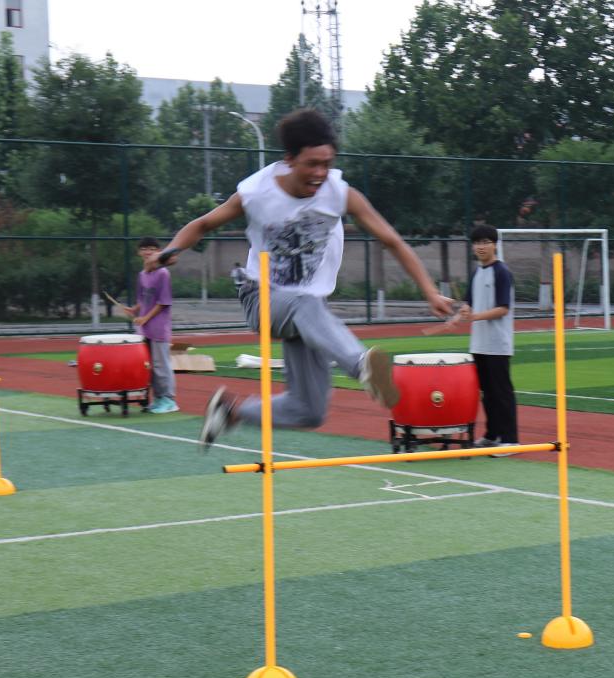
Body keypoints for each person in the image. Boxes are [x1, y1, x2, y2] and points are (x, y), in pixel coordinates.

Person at [150, 109, 455, 448]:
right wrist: (171, 250)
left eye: (327, 163)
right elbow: (203, 224)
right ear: (290, 159)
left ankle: (230, 413)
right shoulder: (257, 193)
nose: (320, 173)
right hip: (262, 298)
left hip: (306, 314)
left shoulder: (340, 194)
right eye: (312, 164)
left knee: (309, 410)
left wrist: (430, 292)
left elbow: (392, 241)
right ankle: (360, 365)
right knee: (305, 304)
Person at [461, 225, 519, 452]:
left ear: (495, 245)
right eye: (477, 243)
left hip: (498, 344)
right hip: (479, 344)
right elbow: (469, 303)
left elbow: (503, 308)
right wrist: (463, 312)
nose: (481, 247)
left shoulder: (501, 272)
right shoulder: (476, 273)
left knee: (502, 393)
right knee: (486, 393)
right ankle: (492, 435)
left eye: (485, 242)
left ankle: (510, 440)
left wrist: (474, 316)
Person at [125, 237, 178, 414]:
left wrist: (145, 318)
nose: (148, 252)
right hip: (145, 329)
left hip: (159, 328)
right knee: (149, 366)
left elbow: (163, 302)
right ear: (139, 252)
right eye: (144, 249)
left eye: (152, 249)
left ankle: (169, 400)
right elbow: (142, 300)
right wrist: (134, 310)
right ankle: (158, 399)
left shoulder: (163, 273)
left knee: (161, 365)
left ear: (159, 252)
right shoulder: (142, 275)